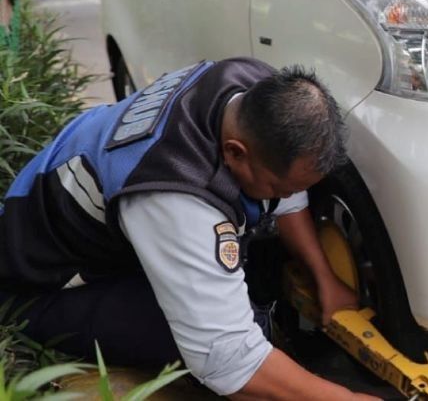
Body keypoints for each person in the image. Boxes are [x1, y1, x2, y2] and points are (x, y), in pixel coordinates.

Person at [0, 57, 379, 400]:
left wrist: (324, 276)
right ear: (234, 152)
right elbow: (228, 359)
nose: (288, 197)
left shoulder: (252, 93)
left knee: (251, 274)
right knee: (208, 345)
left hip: (83, 217)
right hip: (37, 285)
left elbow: (288, 191)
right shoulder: (171, 196)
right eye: (279, 189)